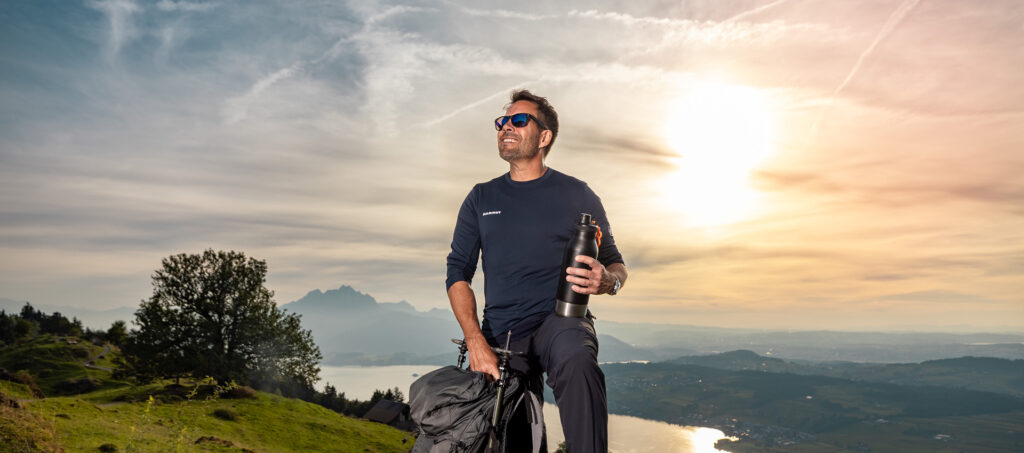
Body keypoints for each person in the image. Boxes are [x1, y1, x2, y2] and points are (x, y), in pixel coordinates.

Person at [445, 89, 628, 452]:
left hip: (561, 320)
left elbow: (615, 261)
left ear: (544, 137)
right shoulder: (481, 197)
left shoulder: (578, 194)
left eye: (518, 120)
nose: (506, 127)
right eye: (502, 121)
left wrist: (610, 281)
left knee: (577, 359)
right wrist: (475, 341)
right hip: (502, 332)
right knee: (512, 437)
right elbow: (457, 273)